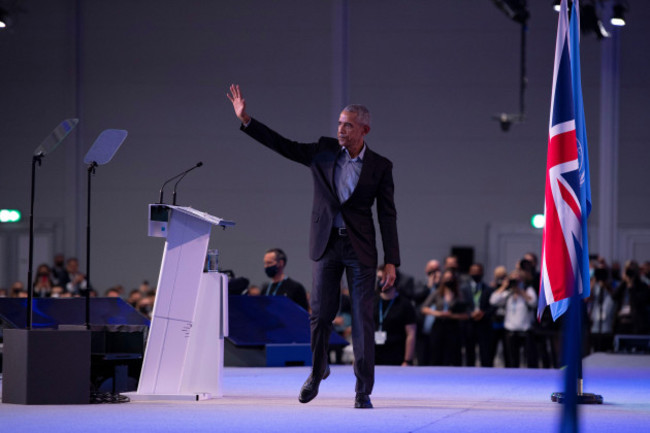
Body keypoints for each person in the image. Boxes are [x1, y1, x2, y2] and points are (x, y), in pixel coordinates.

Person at [227, 84, 400, 409]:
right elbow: (285, 146)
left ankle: (363, 390)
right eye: (338, 123)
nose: (340, 129)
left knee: (363, 320)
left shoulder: (381, 166)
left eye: (348, 125)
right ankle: (318, 371)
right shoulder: (323, 151)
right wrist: (247, 120)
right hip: (327, 246)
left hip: (361, 251)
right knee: (320, 315)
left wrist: (392, 261)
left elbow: (388, 216)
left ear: (364, 129)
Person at [490, 269, 538, 368]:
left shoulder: (528, 289)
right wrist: (504, 286)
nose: (515, 282)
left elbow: (533, 302)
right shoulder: (508, 293)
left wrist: (520, 291)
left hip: (525, 329)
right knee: (512, 359)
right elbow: (493, 301)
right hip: (510, 330)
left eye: (517, 279)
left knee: (529, 359)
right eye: (513, 279)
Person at [421, 269, 469, 366]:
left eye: (450, 278)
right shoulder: (437, 293)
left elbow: (466, 315)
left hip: (453, 327)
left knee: (453, 356)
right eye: (446, 278)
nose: (448, 280)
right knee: (436, 355)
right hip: (439, 325)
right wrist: (438, 313)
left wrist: (452, 315)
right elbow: (424, 308)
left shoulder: (459, 295)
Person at [373, 265, 416, 366]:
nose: (380, 282)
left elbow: (411, 334)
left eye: (383, 278)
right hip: (373, 356)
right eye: (378, 278)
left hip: (396, 357)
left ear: (393, 279)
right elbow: (363, 331)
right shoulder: (371, 302)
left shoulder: (405, 305)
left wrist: (407, 360)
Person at [465, 263, 495, 367]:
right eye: (473, 271)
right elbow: (462, 305)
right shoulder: (464, 288)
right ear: (470, 272)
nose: (476, 273)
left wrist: (484, 314)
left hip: (484, 323)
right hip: (469, 323)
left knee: (485, 352)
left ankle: (486, 376)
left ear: (482, 273)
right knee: (469, 352)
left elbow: (493, 306)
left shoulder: (488, 289)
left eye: (478, 271)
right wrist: (470, 313)